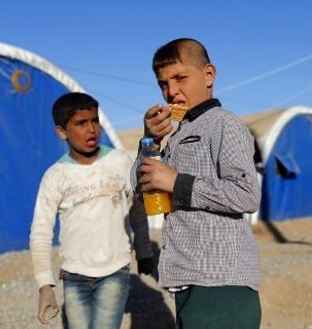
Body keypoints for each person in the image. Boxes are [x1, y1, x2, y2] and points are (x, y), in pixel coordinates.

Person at [135, 38, 262, 328]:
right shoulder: (176, 134)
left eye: (180, 78)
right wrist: (148, 141)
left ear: (208, 75)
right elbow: (140, 188)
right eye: (163, 84)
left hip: (220, 281)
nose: (172, 91)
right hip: (189, 278)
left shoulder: (223, 124)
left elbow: (246, 195)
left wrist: (177, 182)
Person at [29, 92, 153, 329]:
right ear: (61, 132)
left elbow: (137, 208)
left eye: (94, 120)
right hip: (73, 275)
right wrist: (45, 286)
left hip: (115, 270)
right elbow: (41, 231)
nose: (91, 129)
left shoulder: (119, 161)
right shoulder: (56, 176)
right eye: (81, 123)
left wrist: (144, 250)